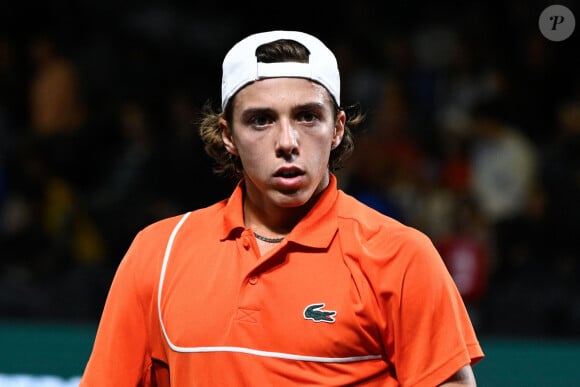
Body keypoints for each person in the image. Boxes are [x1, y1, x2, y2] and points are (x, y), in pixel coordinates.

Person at [80, 30, 483, 386]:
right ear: (228, 136)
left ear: (338, 128)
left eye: (307, 116)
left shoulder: (401, 256)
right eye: (261, 120)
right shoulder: (158, 253)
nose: (287, 141)